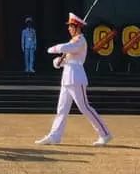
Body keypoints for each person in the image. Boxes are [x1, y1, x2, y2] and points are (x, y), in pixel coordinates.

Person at [36, 11, 113, 147]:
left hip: (77, 77)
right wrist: (58, 61)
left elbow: (69, 48)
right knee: (62, 109)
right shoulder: (73, 41)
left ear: (77, 27)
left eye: (71, 26)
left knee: (85, 107)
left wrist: (54, 49)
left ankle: (105, 134)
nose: (69, 29)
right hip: (67, 78)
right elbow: (64, 60)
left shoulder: (80, 40)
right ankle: (55, 136)